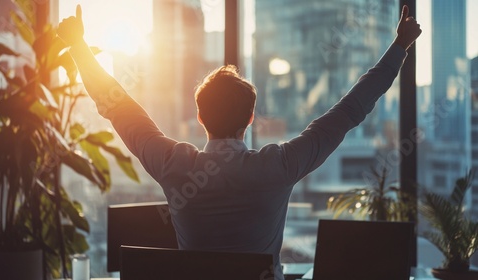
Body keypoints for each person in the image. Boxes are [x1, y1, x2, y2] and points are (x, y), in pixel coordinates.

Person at [57, 5, 421, 280]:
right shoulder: (279, 166)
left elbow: (117, 105)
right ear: (250, 119)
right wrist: (399, 47)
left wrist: (79, 49)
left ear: (200, 118)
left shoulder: (174, 165)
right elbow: (350, 110)